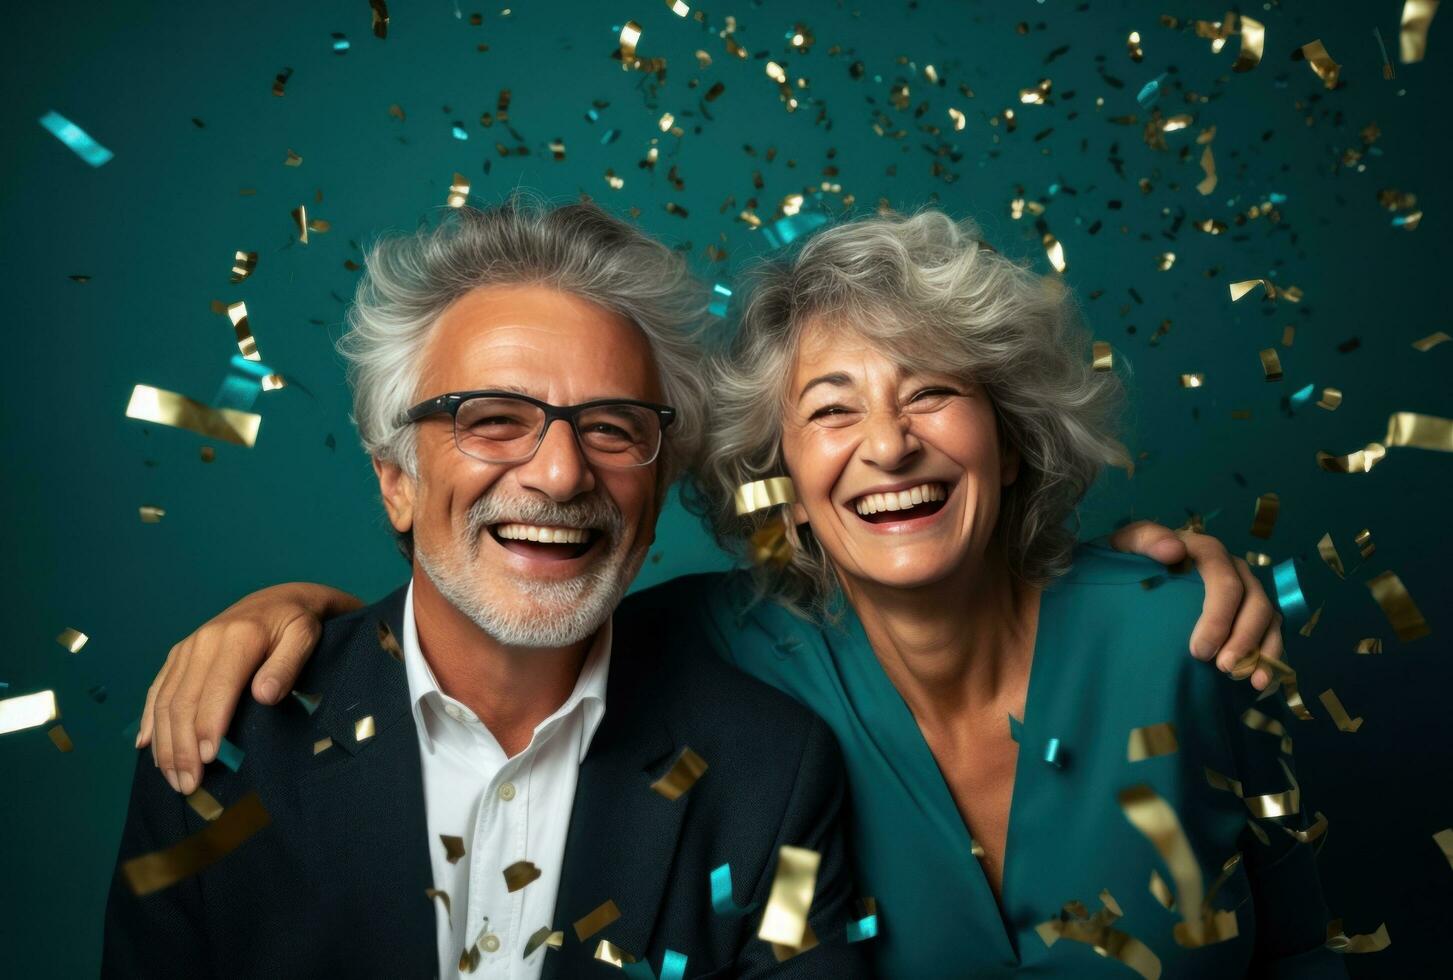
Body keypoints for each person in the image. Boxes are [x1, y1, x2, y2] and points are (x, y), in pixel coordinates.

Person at [137, 208, 1310, 977]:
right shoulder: (716, 651)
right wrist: (294, 612)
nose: (888, 445)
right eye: (832, 407)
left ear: (1010, 433)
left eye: (935, 392)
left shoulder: (1187, 629)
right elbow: (505, 599)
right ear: (782, 480)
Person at [104, 200, 872, 979]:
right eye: (495, 419)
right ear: (396, 480)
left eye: (611, 428)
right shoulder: (220, 742)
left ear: (658, 491)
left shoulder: (773, 776)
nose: (562, 473)